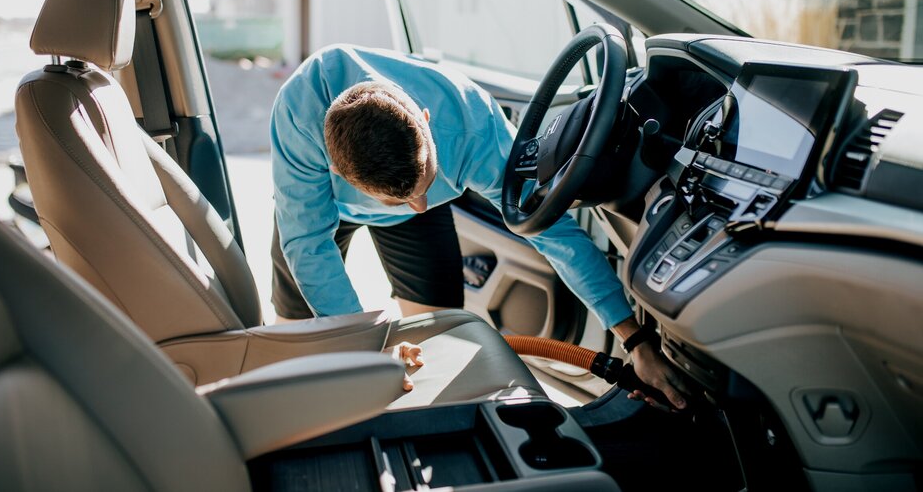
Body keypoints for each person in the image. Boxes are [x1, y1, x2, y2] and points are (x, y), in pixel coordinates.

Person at [270, 44, 687, 408]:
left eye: (427, 185)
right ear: (336, 171)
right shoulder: (299, 116)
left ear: (427, 120)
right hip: (322, 213)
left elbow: (552, 232)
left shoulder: (473, 127)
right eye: (402, 199)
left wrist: (635, 339)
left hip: (403, 174)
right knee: (304, 339)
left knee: (433, 340)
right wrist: (368, 350)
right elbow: (308, 244)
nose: (418, 207)